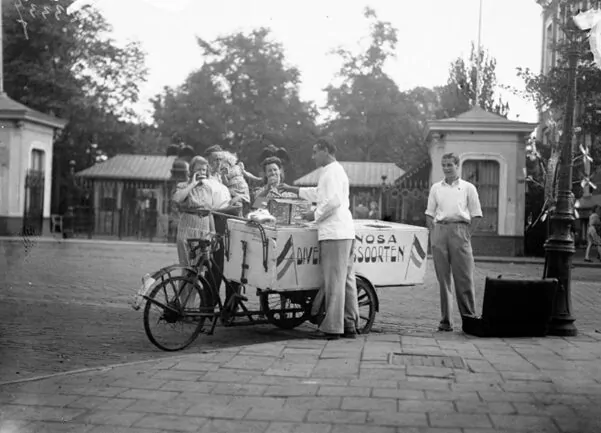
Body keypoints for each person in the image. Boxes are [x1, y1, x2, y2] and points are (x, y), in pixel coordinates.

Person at [280, 138, 359, 340]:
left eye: (315, 152)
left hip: (334, 233)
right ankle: (350, 323)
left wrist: (313, 215)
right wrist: (293, 190)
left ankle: (333, 327)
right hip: (344, 231)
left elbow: (332, 202)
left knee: (334, 282)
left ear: (325, 150)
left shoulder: (331, 172)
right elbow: (319, 193)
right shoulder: (333, 171)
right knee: (346, 280)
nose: (313, 156)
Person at [425, 152, 482, 332]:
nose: (447, 168)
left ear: (458, 166)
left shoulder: (468, 188)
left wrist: (466, 235)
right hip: (440, 230)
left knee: (464, 277)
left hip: (460, 231)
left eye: (450, 165)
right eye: (444, 165)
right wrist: (434, 233)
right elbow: (429, 212)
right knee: (443, 279)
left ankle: (469, 319)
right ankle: (446, 321)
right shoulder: (436, 188)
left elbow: (476, 215)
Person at [172, 156, 231, 267]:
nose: (201, 172)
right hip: (187, 226)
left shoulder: (208, 188)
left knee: (200, 269)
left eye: (204, 170)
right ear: (192, 170)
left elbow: (209, 212)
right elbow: (177, 199)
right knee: (187, 267)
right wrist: (193, 184)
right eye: (198, 169)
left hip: (204, 228)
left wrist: (213, 233)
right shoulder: (184, 186)